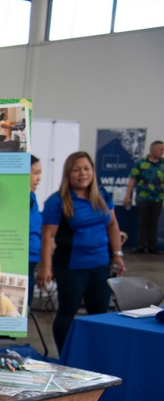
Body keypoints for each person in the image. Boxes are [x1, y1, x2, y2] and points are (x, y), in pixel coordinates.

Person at [36, 151, 126, 353]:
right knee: (67, 312)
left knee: (99, 314)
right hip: (71, 267)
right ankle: (66, 355)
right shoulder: (58, 201)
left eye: (86, 169)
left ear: (93, 171)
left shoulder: (102, 195)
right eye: (76, 170)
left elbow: (112, 225)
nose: (82, 174)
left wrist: (118, 255)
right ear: (68, 173)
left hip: (101, 265)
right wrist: (46, 268)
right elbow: (47, 236)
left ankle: (96, 355)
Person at [122, 140, 163, 254]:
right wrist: (127, 195)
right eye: (160, 149)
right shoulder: (140, 163)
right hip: (143, 198)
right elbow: (132, 179)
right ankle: (140, 246)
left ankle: (152, 247)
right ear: (152, 150)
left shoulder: (163, 163)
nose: (162, 152)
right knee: (142, 222)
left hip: (158, 198)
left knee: (153, 223)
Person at [28, 155, 43, 305]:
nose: (39, 178)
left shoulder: (32, 197)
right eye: (35, 173)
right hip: (21, 263)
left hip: (32, 261)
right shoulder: (21, 199)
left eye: (40, 173)